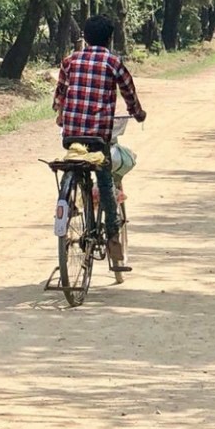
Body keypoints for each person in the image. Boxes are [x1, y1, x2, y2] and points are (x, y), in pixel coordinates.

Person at [53, 15, 147, 258]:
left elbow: (60, 96)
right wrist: (138, 114)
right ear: (109, 38)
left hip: (71, 133)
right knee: (105, 180)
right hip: (98, 136)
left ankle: (70, 198)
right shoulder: (112, 62)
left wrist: (62, 116)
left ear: (85, 37)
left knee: (75, 160)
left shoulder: (69, 61)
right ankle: (113, 237)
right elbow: (129, 92)